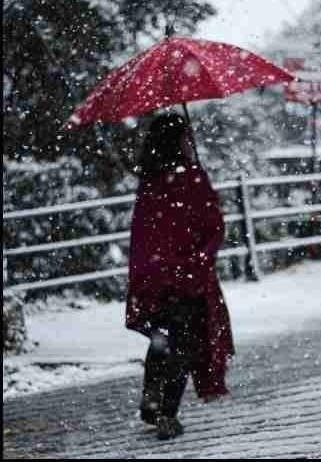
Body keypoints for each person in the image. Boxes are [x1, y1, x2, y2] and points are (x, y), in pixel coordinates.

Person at [125, 113, 234, 440]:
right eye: (185, 136)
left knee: (163, 340)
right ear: (178, 141)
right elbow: (212, 227)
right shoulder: (191, 178)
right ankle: (166, 413)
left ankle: (150, 398)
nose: (189, 141)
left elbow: (145, 233)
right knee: (185, 344)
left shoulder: (150, 181)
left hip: (154, 279)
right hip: (188, 277)